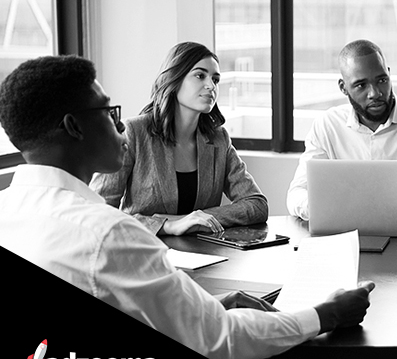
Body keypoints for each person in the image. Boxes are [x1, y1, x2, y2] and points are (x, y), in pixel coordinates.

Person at [0, 55, 376, 359]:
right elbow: (220, 341)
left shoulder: (8, 212)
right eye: (107, 110)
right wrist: (327, 314)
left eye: (215, 78)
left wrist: (206, 307)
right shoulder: (108, 233)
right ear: (73, 126)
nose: (117, 122)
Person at [90, 42, 267, 236]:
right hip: (144, 252)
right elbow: (99, 213)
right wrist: (166, 225)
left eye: (215, 80)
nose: (211, 86)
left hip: (205, 256)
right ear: (174, 79)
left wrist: (199, 217)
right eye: (200, 76)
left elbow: (257, 205)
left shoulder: (218, 139)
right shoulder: (133, 132)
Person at [286, 39, 397, 220]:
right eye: (361, 85)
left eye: (381, 80)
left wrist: (339, 208)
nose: (375, 93)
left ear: (389, 74)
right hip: (345, 238)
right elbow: (297, 194)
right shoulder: (327, 125)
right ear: (343, 87)